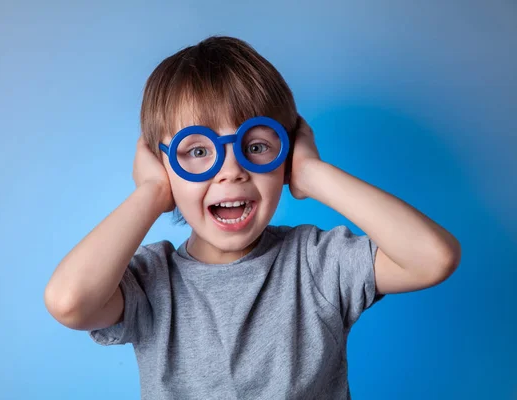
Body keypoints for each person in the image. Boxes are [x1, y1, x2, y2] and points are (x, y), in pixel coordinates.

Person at [44, 36, 461, 399]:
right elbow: (69, 302)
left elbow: (433, 258)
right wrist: (151, 194)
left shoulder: (316, 262)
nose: (231, 170)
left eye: (257, 146)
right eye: (198, 150)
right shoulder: (151, 281)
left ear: (287, 154)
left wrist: (313, 175)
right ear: (163, 164)